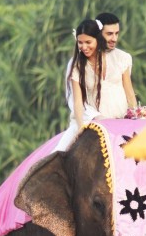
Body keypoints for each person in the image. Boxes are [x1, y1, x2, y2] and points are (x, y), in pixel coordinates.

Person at [58, 18, 138, 150]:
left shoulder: (118, 58)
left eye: (88, 42)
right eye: (80, 42)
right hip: (93, 122)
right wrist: (80, 127)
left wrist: (136, 116)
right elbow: (77, 101)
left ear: (98, 39)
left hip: (120, 120)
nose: (84, 47)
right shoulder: (76, 66)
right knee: (59, 152)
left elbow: (129, 92)